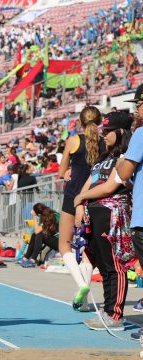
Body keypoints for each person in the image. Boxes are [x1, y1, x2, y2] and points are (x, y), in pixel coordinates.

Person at [74, 111, 135, 331]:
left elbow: (110, 186)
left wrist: (81, 198)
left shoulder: (126, 156)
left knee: (114, 265)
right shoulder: (103, 157)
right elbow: (89, 184)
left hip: (113, 213)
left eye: (108, 132)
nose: (104, 135)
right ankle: (108, 311)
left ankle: (115, 314)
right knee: (103, 264)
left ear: (120, 132)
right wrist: (80, 205)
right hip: (95, 211)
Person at [57, 106, 104, 311]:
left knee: (64, 245)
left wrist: (66, 171)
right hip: (95, 196)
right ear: (100, 121)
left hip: (73, 194)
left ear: (80, 121)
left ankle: (82, 285)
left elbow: (61, 170)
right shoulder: (104, 142)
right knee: (88, 250)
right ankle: (84, 303)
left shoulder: (74, 141)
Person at [116, 84, 143, 337]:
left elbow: (124, 173)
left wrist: (121, 160)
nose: (136, 109)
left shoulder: (141, 133)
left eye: (139, 104)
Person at [18, 203, 60, 267]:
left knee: (40, 235)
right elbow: (36, 232)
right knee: (34, 235)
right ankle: (25, 258)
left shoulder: (53, 216)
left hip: (62, 242)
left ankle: (33, 260)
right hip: (57, 240)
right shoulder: (48, 215)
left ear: (39, 214)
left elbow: (37, 231)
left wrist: (34, 217)